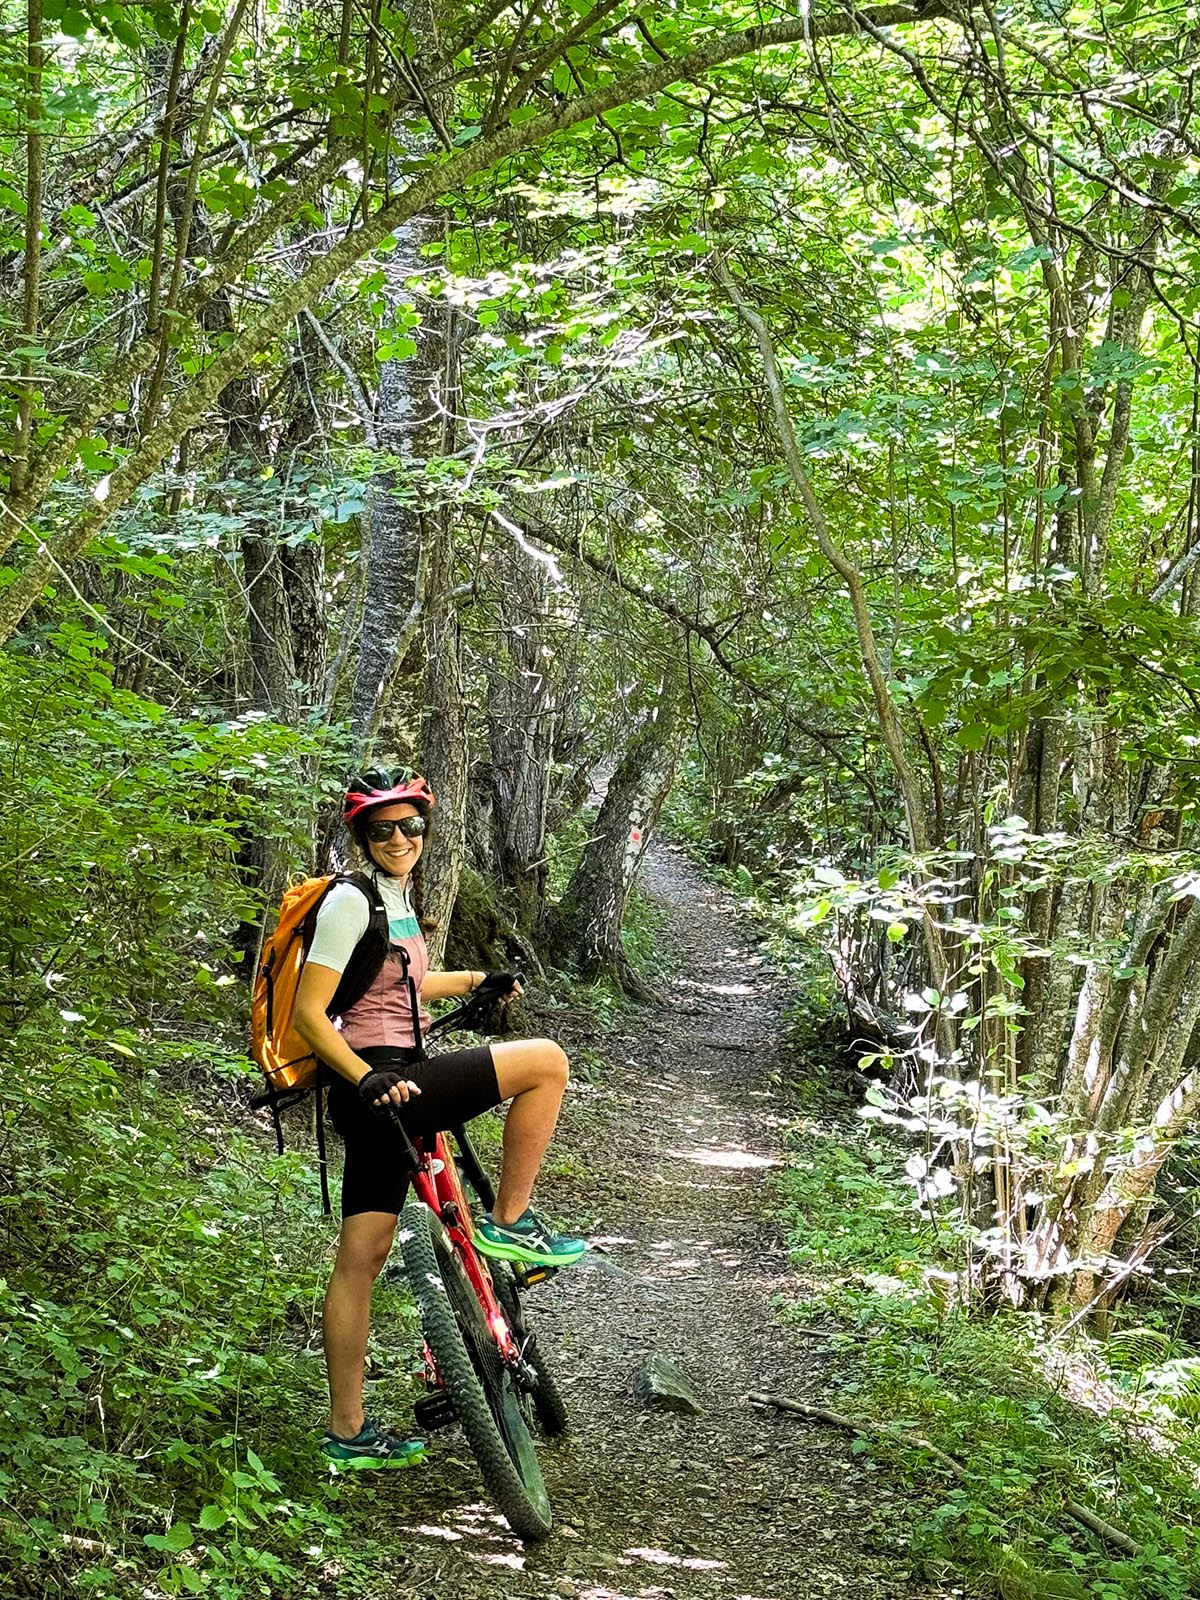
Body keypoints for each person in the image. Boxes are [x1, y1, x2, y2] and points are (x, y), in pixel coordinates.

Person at [293, 768, 586, 1471]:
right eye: (383, 829)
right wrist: (368, 1076)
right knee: (546, 1062)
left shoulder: (390, 901)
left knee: (359, 1262)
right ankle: (510, 1220)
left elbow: (403, 984)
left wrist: (475, 980)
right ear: (362, 837)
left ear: (425, 828)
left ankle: (348, 1432)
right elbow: (310, 1011)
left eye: (411, 826)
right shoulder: (347, 901)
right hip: (389, 1083)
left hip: (376, 1099)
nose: (400, 839)